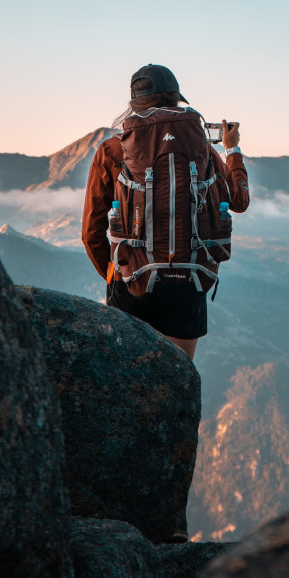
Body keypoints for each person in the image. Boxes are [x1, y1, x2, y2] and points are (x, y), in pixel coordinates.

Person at [82, 64, 250, 361]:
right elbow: (239, 201)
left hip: (131, 284)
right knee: (177, 380)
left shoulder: (112, 150)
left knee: (127, 380)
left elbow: (91, 232)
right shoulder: (203, 152)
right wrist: (232, 151)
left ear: (134, 104)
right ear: (175, 100)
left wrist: (116, 274)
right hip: (189, 284)